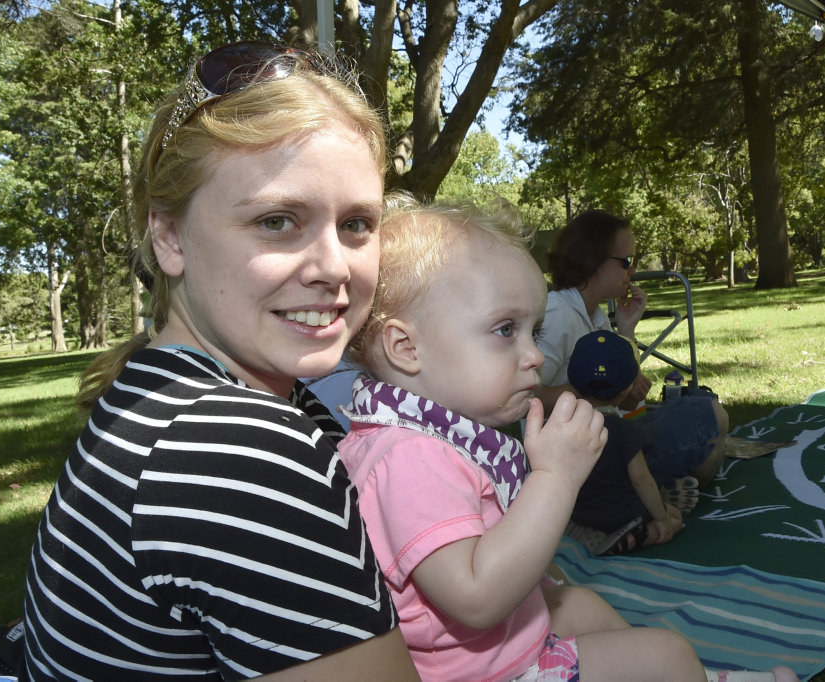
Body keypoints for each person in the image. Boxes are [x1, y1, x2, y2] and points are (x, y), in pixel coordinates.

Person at [16, 41, 418, 680]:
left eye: (357, 224)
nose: (335, 267)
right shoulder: (237, 454)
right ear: (168, 236)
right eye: (278, 221)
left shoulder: (158, 390)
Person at [339, 196, 798, 682]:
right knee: (669, 653)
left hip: (497, 650)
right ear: (406, 347)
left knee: (579, 603)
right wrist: (555, 479)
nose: (534, 355)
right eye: (505, 330)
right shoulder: (405, 458)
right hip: (483, 673)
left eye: (532, 332)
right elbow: (475, 597)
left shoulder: (429, 437)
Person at [537, 209, 728, 492]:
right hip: (585, 457)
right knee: (710, 419)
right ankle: (635, 494)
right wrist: (592, 392)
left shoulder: (596, 316)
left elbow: (627, 403)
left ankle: (648, 491)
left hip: (613, 436)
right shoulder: (558, 314)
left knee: (705, 408)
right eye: (626, 262)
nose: (633, 271)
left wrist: (627, 331)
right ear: (592, 261)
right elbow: (526, 397)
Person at [566, 330, 686, 555]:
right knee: (674, 518)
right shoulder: (624, 430)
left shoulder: (564, 427)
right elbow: (640, 479)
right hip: (621, 513)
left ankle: (585, 536)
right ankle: (627, 540)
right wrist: (661, 519)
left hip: (579, 513)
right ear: (627, 389)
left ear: (573, 386)